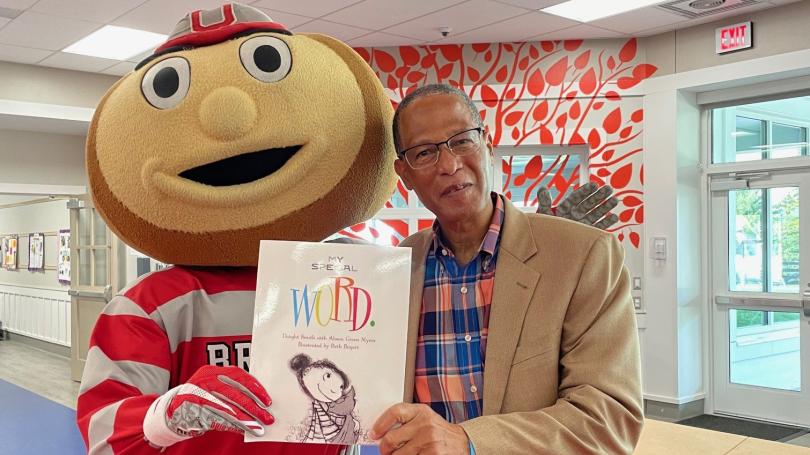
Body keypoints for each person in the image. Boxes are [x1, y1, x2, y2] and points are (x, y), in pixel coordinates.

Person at [370, 84, 643, 454]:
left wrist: (468, 442)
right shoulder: (394, 270)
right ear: (404, 175)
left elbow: (608, 419)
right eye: (425, 152)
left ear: (487, 143)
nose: (449, 165)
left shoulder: (584, 256)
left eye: (462, 141)